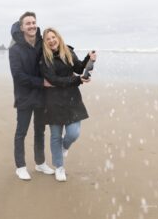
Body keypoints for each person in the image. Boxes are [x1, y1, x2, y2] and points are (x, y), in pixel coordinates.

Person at [38, 27, 96, 182]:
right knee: (55, 135)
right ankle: (59, 167)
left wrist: (88, 59)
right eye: (48, 39)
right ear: (45, 42)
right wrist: (77, 80)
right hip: (53, 100)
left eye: (53, 37)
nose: (51, 40)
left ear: (58, 37)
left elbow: (78, 67)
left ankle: (65, 147)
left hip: (72, 98)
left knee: (73, 133)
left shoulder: (68, 51)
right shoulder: (45, 58)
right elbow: (54, 80)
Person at [8, 12, 55, 180]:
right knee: (21, 131)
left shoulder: (42, 44)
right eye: (28, 23)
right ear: (21, 27)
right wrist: (41, 82)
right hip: (24, 96)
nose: (32, 26)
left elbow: (56, 57)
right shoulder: (15, 49)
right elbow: (18, 75)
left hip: (42, 96)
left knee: (40, 131)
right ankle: (20, 166)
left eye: (34, 22)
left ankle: (40, 163)